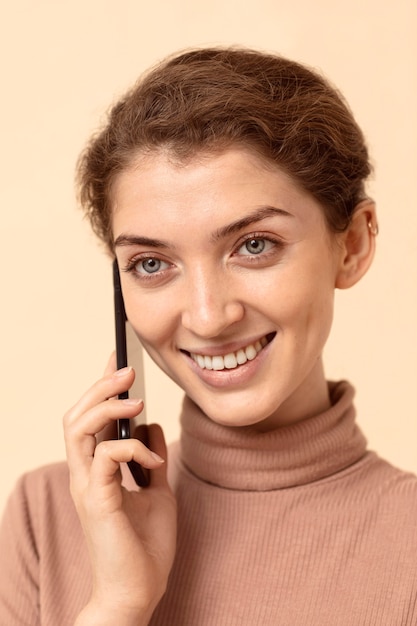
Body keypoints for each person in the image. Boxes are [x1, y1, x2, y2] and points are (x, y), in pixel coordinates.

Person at [0, 47, 416, 626]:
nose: (207, 316)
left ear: (352, 245)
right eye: (151, 263)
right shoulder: (44, 519)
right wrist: (117, 605)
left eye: (254, 245)